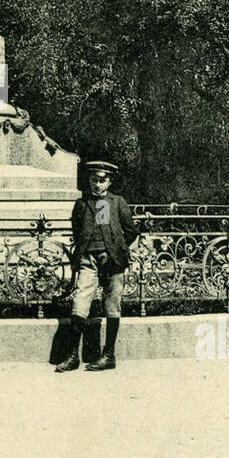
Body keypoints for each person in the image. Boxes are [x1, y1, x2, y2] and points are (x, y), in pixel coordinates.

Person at [55, 159, 139, 373]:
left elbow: (130, 231)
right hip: (88, 260)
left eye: (102, 180)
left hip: (112, 261)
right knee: (80, 301)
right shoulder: (82, 204)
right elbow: (77, 230)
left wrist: (118, 250)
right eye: (94, 180)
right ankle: (72, 356)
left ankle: (108, 355)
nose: (97, 185)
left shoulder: (116, 202)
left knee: (112, 304)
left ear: (109, 182)